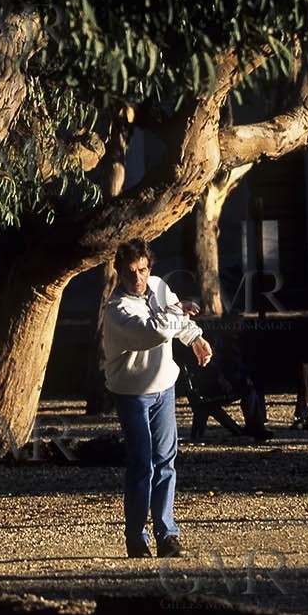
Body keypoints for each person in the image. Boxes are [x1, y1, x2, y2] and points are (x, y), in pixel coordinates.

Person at [102, 239, 213, 559]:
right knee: (141, 465)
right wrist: (177, 312)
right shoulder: (117, 310)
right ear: (119, 273)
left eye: (142, 269)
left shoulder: (157, 287)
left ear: (149, 267)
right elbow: (153, 332)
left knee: (165, 461)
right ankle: (136, 536)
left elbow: (176, 320)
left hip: (164, 387)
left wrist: (195, 338)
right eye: (130, 272)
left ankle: (167, 534)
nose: (137, 278)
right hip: (132, 394)